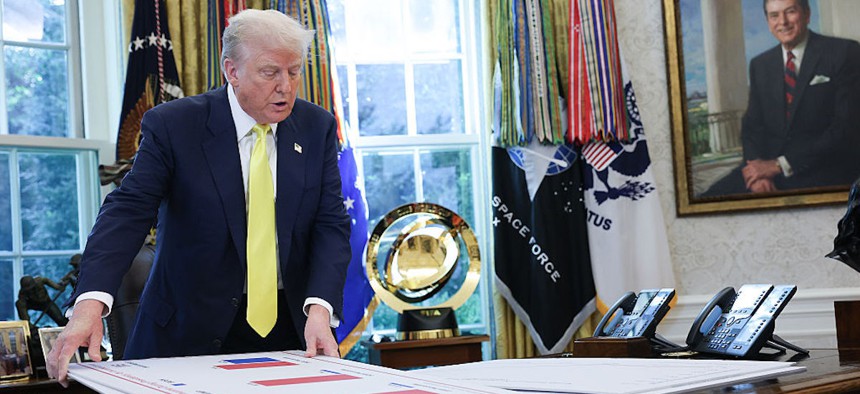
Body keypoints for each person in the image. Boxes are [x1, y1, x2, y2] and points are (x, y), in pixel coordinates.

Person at [46, 9, 351, 386]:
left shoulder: (315, 125)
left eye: (294, 71)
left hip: (292, 333)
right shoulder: (175, 125)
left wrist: (320, 308)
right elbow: (128, 212)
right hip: (185, 337)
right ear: (232, 71)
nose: (286, 87)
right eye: (271, 72)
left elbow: (330, 224)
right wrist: (89, 305)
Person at [702, 0, 860, 196]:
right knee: (706, 200)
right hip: (767, 171)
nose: (782, 22)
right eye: (774, 15)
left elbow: (845, 128)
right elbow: (752, 127)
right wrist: (759, 175)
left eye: (790, 12)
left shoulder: (844, 52)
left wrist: (780, 165)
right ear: (768, 21)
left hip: (824, 168)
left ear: (807, 14)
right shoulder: (760, 65)